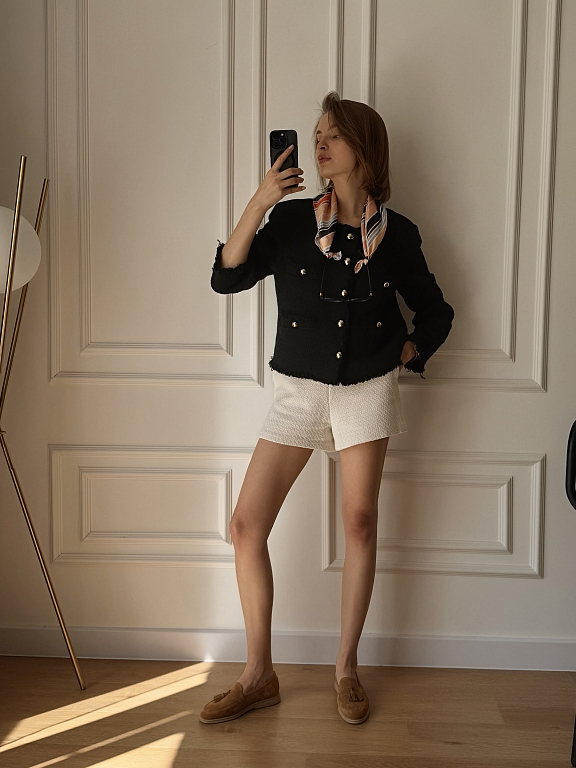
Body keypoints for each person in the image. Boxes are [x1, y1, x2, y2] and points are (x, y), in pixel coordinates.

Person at [200, 92, 454, 725]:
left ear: (363, 149)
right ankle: (258, 674)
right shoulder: (290, 222)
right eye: (316, 134)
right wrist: (261, 200)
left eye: (333, 135)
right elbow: (227, 276)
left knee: (359, 523)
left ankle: (346, 669)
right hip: (299, 389)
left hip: (367, 387)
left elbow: (437, 311)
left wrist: (411, 348)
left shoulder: (397, 236)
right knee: (245, 526)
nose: (319, 144)